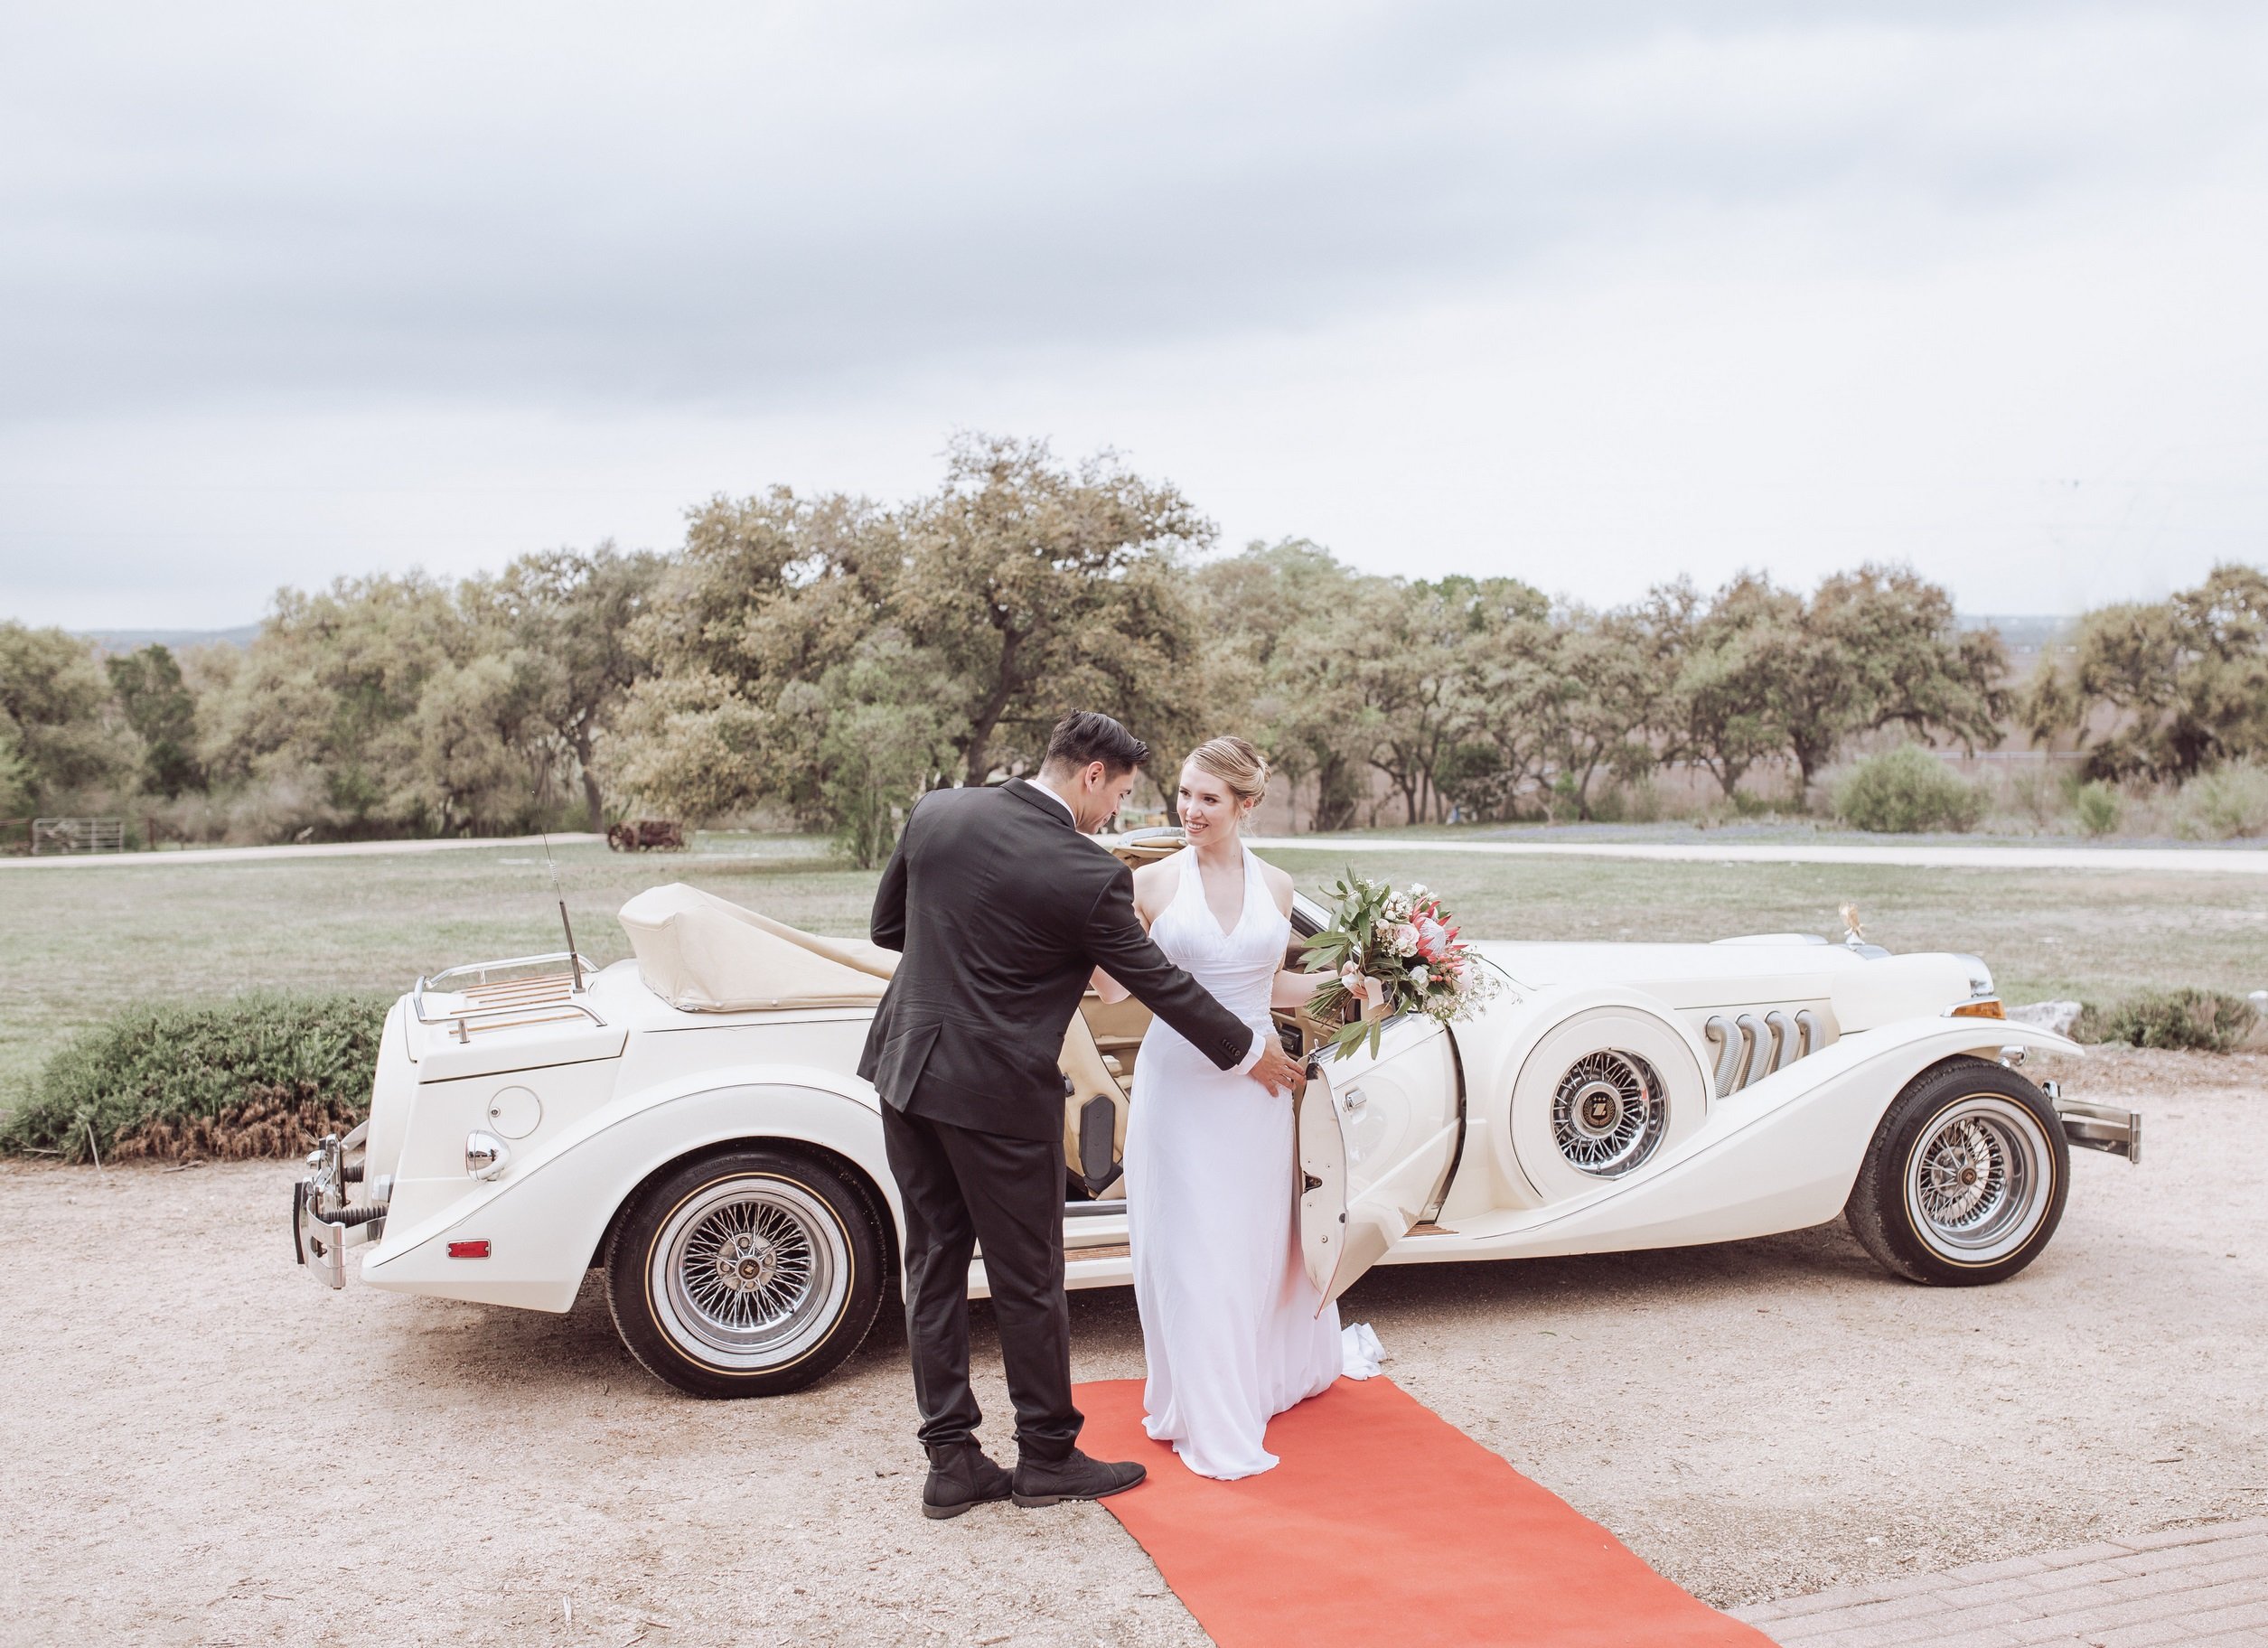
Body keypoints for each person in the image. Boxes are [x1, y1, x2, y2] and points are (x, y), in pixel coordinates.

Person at [859, 711, 1309, 1520]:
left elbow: (889, 927)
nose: (1117, 813)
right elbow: (1162, 986)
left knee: (932, 1266)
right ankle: (1047, 1457)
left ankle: (951, 1462)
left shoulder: (939, 811)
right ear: (1093, 775)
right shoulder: (1084, 870)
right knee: (1028, 1277)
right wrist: (1251, 1053)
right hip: (997, 1091)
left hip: (907, 1071)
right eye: (1122, 795)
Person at [1093, 735, 1382, 1480]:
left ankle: (1261, 1380)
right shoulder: (1150, 883)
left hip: (1260, 1089)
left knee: (1253, 1245)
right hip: (1181, 1088)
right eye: (1184, 794)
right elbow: (1115, 990)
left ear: (1246, 805)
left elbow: (1266, 985)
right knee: (1194, 1250)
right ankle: (1206, 1408)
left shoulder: (1276, 886)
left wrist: (1348, 988)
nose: (1190, 810)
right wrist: (1085, 925)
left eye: (1209, 799)